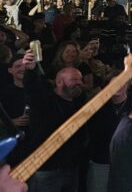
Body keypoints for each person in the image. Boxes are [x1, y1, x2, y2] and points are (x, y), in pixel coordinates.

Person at [22, 50, 87, 192]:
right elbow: (32, 87)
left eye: (80, 79)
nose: (79, 83)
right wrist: (31, 70)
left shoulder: (79, 103)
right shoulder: (44, 101)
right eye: (73, 80)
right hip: (47, 171)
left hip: (71, 169)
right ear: (58, 82)